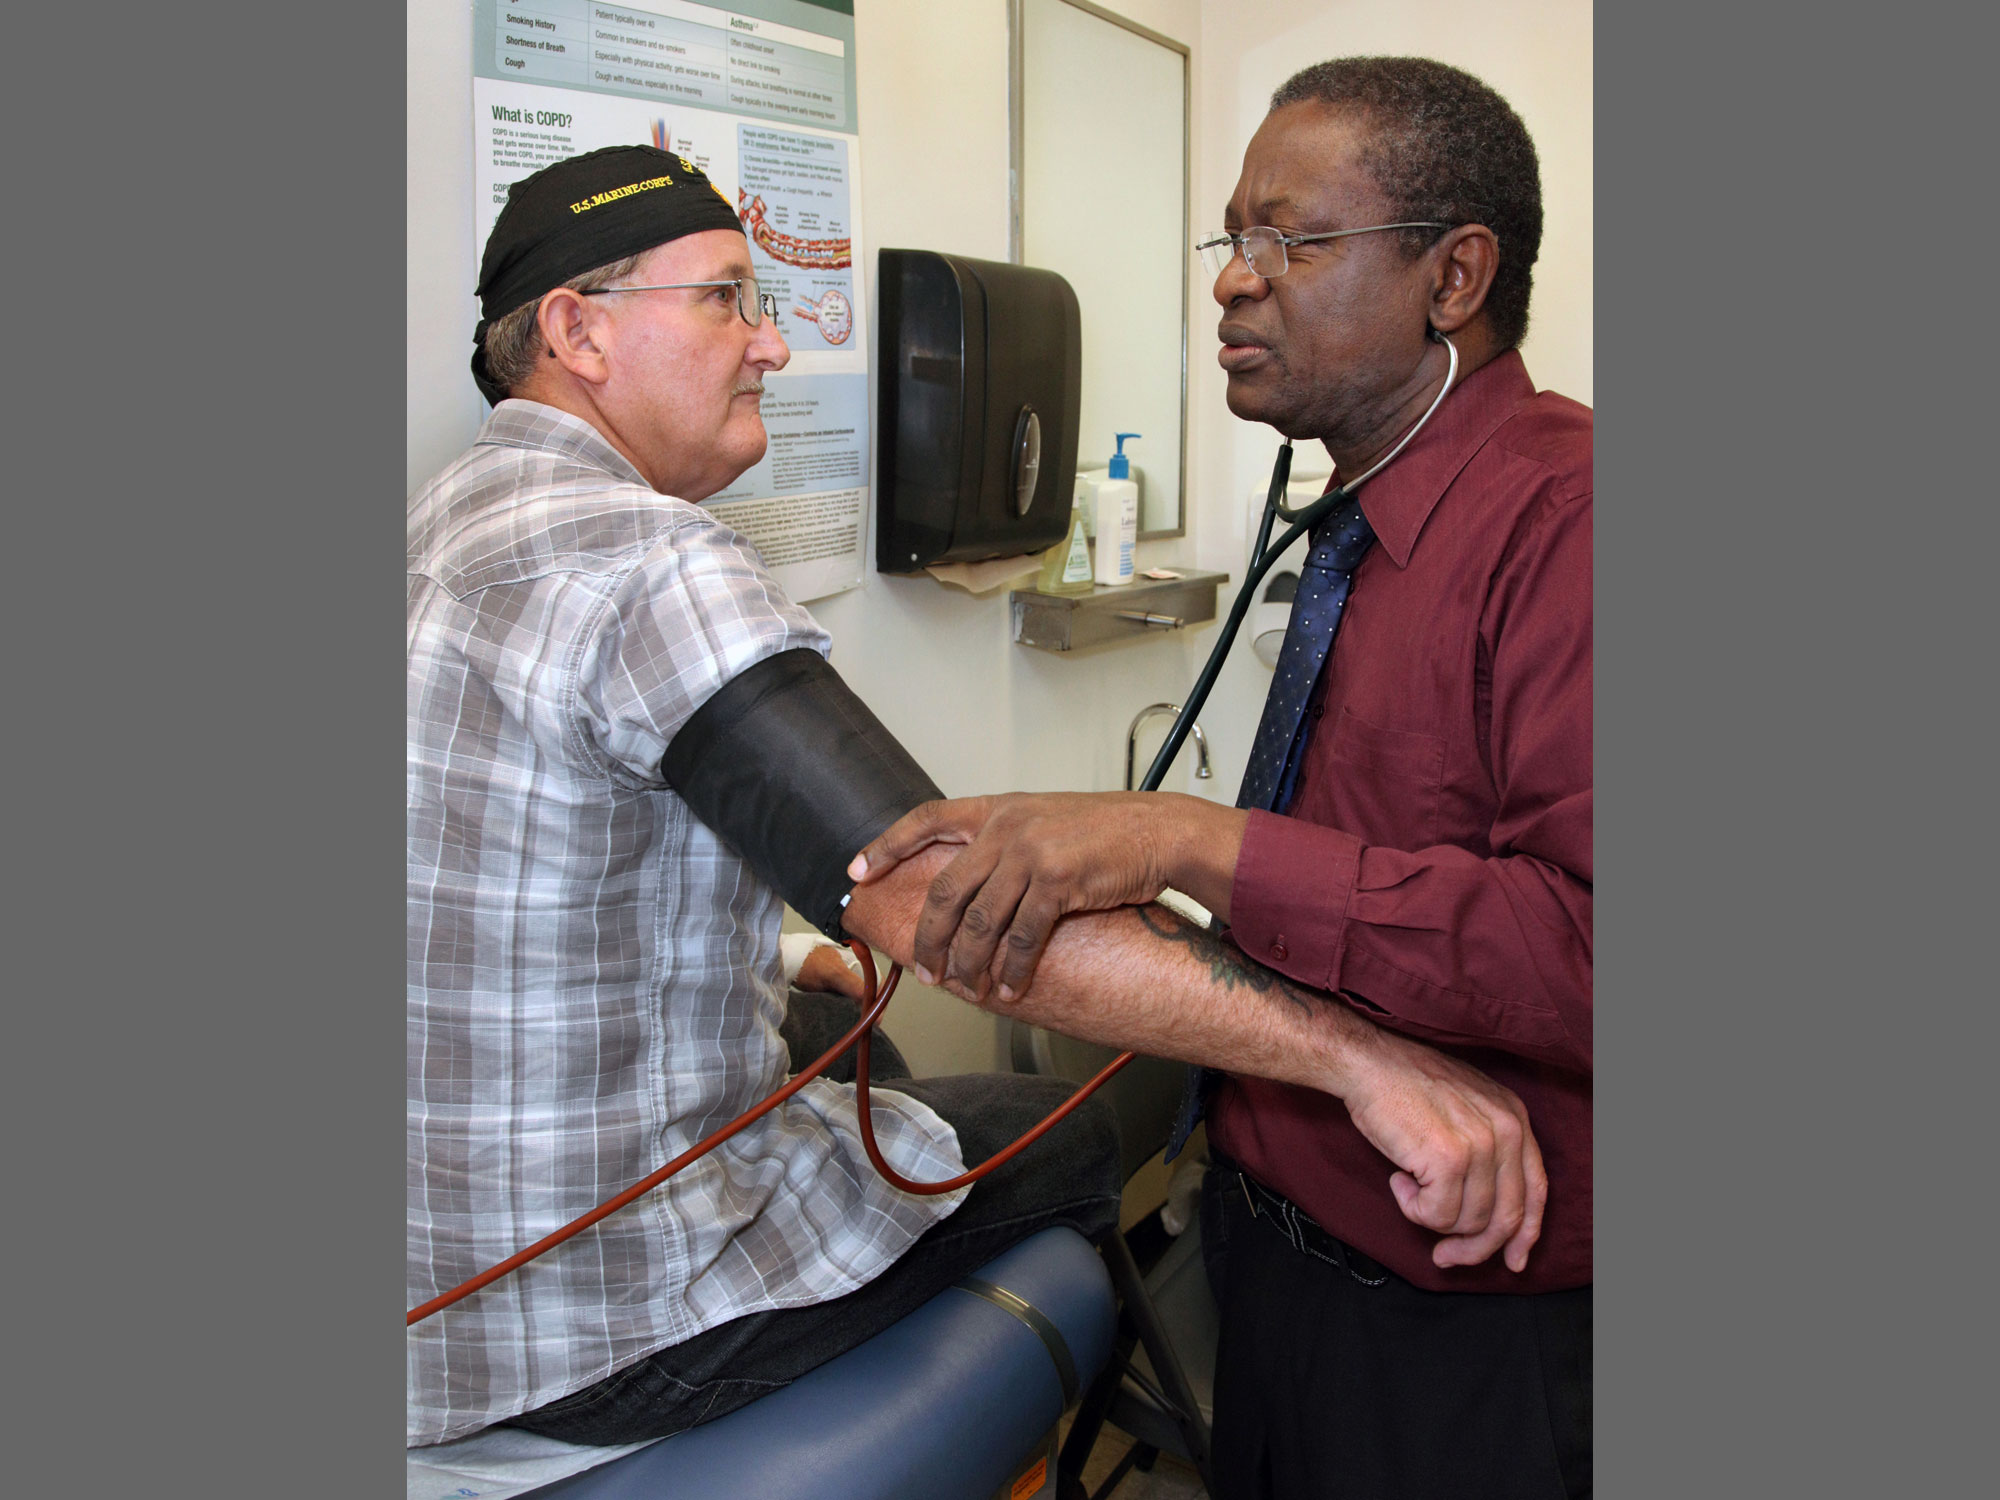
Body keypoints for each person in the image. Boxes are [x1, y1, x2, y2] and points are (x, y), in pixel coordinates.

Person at [852, 58, 1593, 1498]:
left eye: (1292, 243)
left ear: (1455, 276)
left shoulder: (1571, 525)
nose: (1235, 285)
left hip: (1462, 1326)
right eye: (1230, 242)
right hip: (1270, 1244)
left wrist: (1198, 846)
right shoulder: (1359, 514)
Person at [404, 145, 1128, 1450]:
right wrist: (1343, 1051)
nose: (772, 348)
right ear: (579, 330)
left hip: (430, 1280)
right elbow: (930, 896)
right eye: (728, 300)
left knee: (844, 1036)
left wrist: (797, 950)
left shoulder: (448, 519)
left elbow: (497, 867)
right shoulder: (644, 552)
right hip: (586, 1327)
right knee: (1066, 1122)